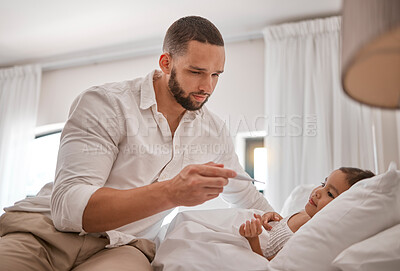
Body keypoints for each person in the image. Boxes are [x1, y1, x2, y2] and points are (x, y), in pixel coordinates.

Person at [0, 16, 279, 271]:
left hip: (123, 247)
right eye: (196, 72)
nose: (207, 86)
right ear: (166, 62)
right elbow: (69, 209)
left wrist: (284, 228)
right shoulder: (106, 103)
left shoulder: (214, 132)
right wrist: (171, 192)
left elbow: (246, 195)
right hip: (45, 233)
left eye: (216, 74)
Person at [239, 167, 375, 261]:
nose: (318, 192)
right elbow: (282, 230)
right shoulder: (305, 213)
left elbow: (268, 264)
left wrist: (253, 239)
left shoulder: (308, 235)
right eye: (323, 184)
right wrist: (274, 217)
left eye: (330, 193)